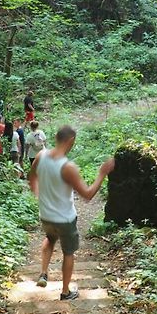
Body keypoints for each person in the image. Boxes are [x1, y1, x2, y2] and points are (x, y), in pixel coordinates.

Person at [28, 125, 115, 300]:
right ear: (71, 141)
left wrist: (39, 195)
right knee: (68, 252)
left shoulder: (40, 156)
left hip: (45, 215)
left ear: (55, 137)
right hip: (65, 219)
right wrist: (102, 174)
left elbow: (31, 178)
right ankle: (65, 291)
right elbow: (88, 195)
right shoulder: (67, 167)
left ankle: (43, 273)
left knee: (50, 238)